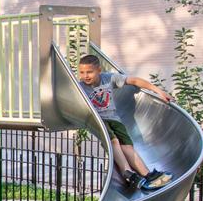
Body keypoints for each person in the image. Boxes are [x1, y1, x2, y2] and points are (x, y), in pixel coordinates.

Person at [75, 53, 175, 192]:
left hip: (114, 118)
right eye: (82, 72)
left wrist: (158, 91)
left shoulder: (108, 79)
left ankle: (147, 174)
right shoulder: (79, 87)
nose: (85, 76)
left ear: (99, 70)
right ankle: (127, 173)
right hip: (98, 120)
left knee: (127, 146)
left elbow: (133, 80)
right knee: (114, 141)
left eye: (89, 72)